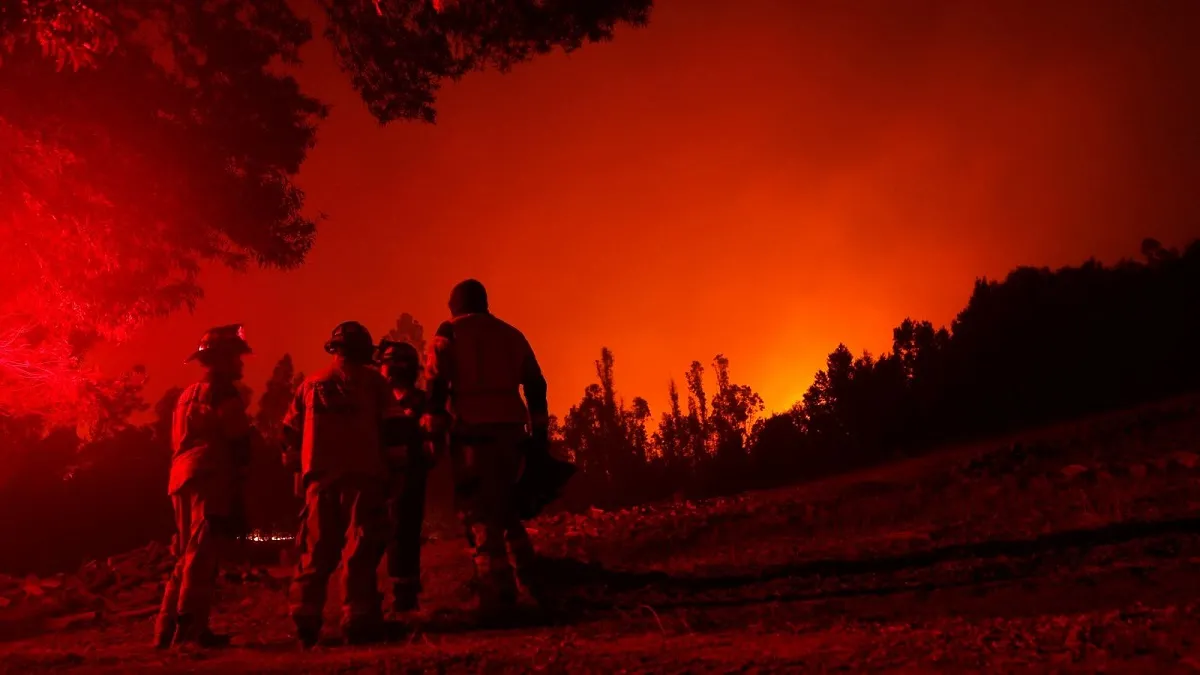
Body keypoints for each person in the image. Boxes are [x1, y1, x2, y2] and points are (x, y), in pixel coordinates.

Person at [423, 279, 552, 620]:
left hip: (470, 432)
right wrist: (540, 434)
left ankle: (495, 592)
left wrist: (433, 431)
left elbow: (435, 382)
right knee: (507, 506)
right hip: (511, 431)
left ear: (455, 304)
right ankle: (533, 581)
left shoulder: (447, 334)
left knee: (477, 510)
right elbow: (536, 384)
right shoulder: (511, 334)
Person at [283, 321, 392, 647]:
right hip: (363, 476)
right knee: (358, 550)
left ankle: (305, 616)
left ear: (334, 349)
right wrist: (396, 473)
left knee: (315, 550)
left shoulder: (309, 384)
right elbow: (395, 430)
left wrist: (299, 473)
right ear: (363, 351)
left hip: (319, 479)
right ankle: (358, 620)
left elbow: (288, 434)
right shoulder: (375, 383)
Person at [155, 324, 253, 649]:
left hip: (180, 477)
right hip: (210, 476)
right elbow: (238, 438)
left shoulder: (185, 395)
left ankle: (166, 632)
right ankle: (188, 635)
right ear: (222, 359)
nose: (241, 363)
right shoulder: (224, 393)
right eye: (236, 357)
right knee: (201, 556)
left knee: (185, 556)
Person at [376, 339, 439, 614]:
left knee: (402, 533)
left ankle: (402, 597)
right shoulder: (384, 402)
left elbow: (431, 444)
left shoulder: (409, 402)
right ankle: (390, 596)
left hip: (401, 477)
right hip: (389, 475)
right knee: (394, 534)